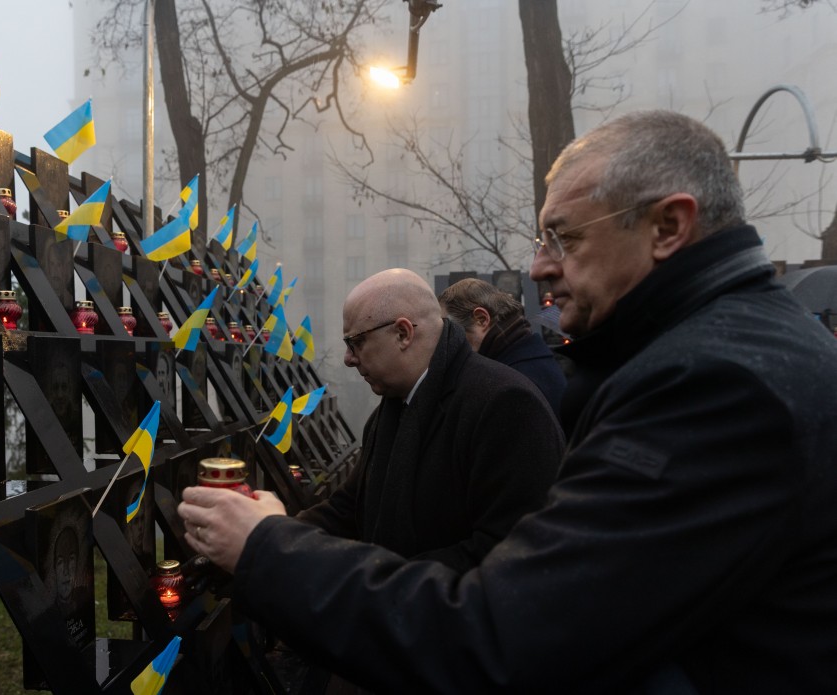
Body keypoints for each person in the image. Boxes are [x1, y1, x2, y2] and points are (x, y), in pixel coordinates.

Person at [178, 110, 837, 692]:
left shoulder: (714, 386)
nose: (538, 267)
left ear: (667, 226)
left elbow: (505, 637)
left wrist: (267, 547)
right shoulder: (713, 354)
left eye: (564, 237)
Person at [295, 268, 564, 572]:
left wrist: (374, 581)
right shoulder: (390, 409)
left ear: (403, 333)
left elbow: (508, 553)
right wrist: (272, 534)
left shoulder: (506, 404)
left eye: (356, 342)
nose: (348, 358)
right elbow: (350, 508)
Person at [438, 277, 566, 419]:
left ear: (481, 319)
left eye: (450, 330)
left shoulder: (513, 382)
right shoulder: (530, 359)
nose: (449, 341)